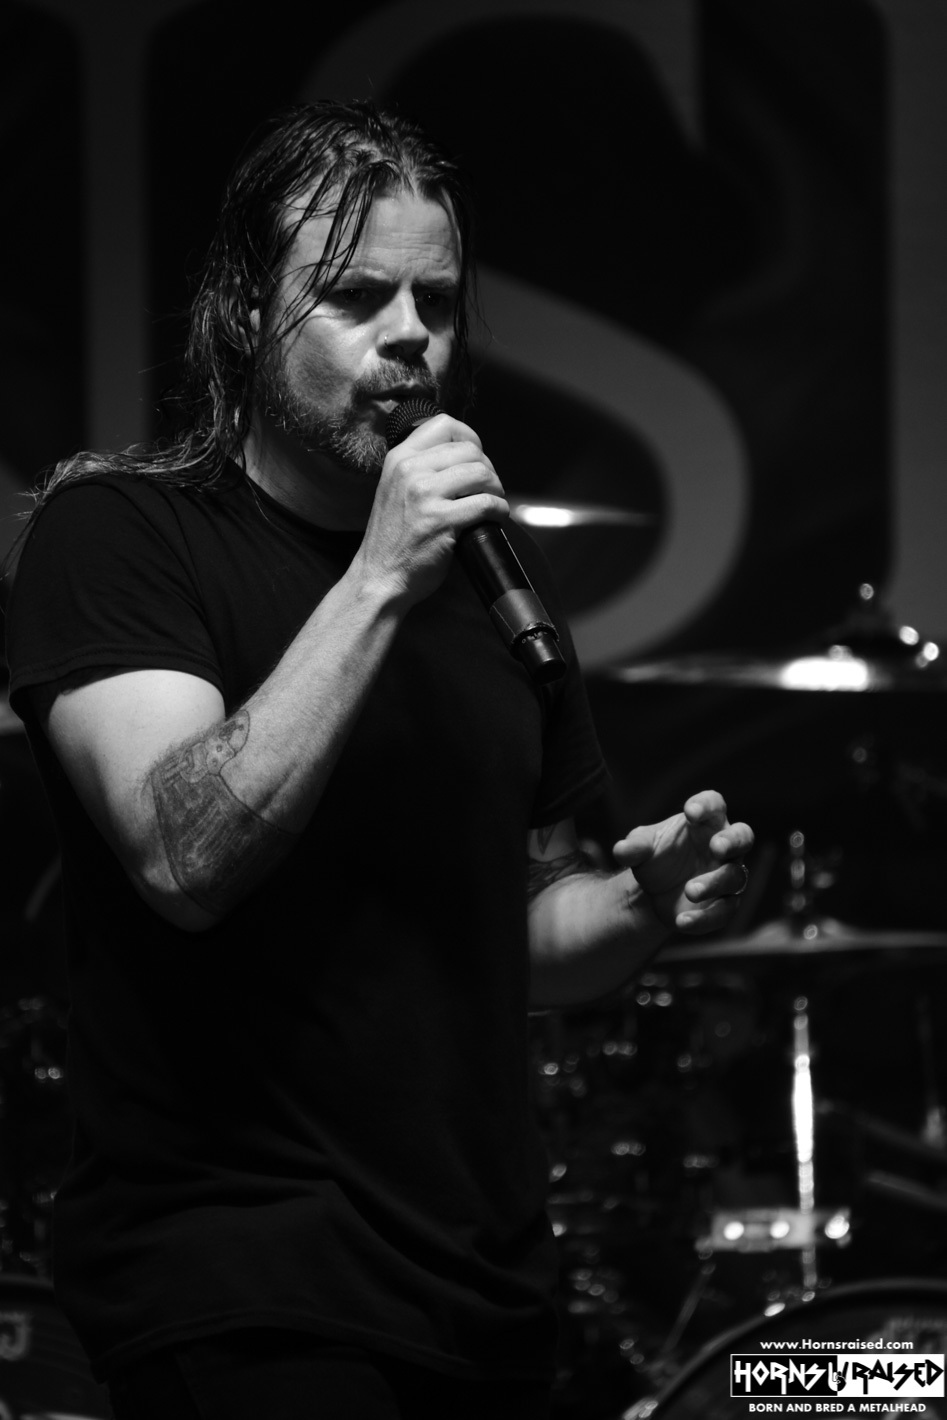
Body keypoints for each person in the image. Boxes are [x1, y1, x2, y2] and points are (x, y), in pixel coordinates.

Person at [3, 101, 753, 1419]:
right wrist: (377, 575)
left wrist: (639, 906)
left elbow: (510, 936)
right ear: (246, 315)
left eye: (436, 302)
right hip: (244, 1276)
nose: (413, 335)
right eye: (356, 297)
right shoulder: (123, 535)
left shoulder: (487, 582)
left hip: (481, 1288)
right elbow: (182, 853)